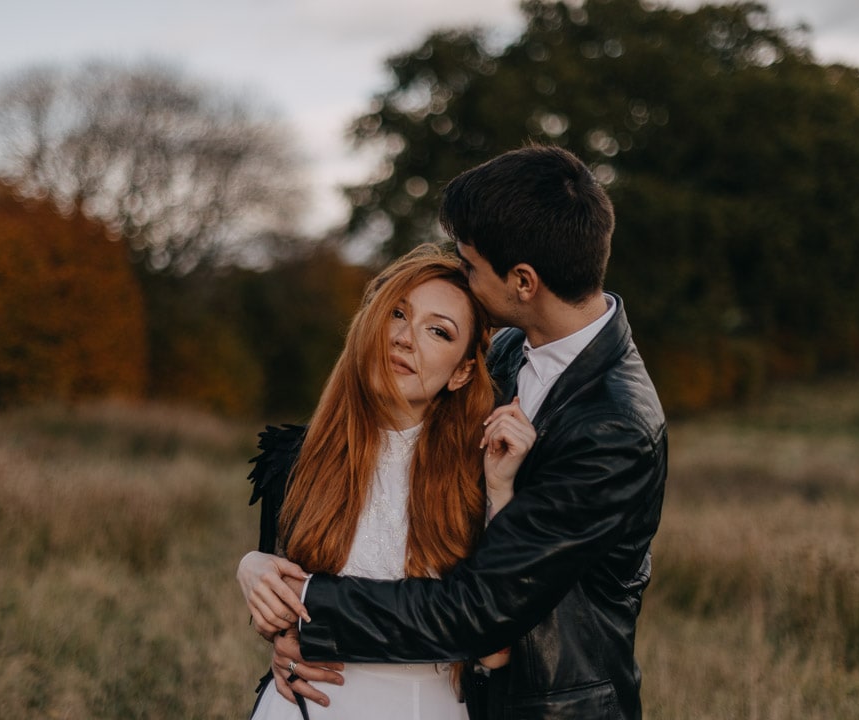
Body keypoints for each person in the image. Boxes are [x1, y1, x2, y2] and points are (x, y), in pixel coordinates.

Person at [261, 145, 669, 720]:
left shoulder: (616, 427)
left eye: (471, 266)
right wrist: (258, 570)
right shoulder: (503, 350)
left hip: (543, 704)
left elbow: (479, 610)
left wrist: (302, 604)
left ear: (523, 281)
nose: (462, 275)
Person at [238, 244, 537, 719]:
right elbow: (281, 617)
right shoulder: (294, 459)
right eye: (397, 313)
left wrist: (500, 491)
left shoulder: (480, 475)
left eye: (438, 331)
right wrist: (253, 569)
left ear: (461, 373)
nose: (404, 338)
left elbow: (494, 648)